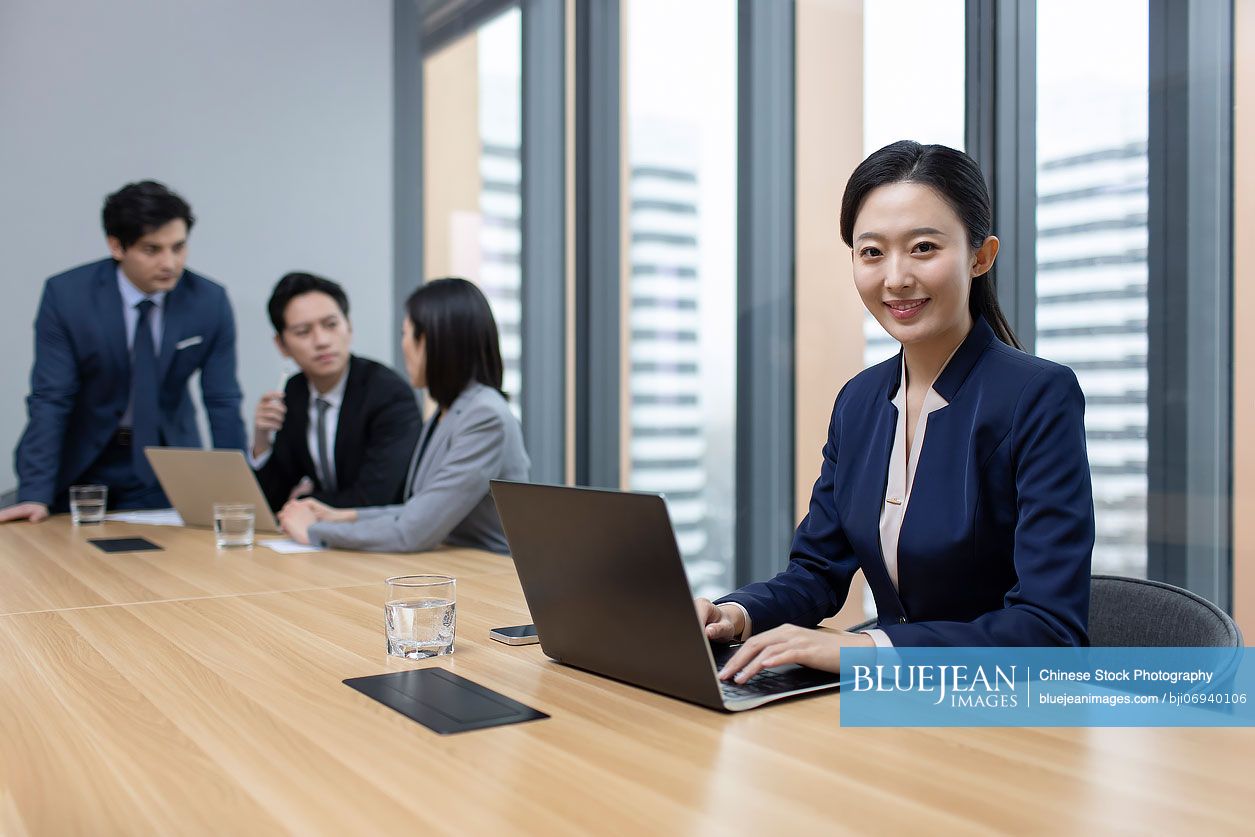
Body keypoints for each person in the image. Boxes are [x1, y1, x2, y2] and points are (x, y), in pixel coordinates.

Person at [706, 141, 1095, 685]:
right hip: (895, 709)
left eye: (923, 248)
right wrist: (733, 614)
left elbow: (1049, 631)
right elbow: (818, 571)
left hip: (1006, 713)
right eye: (871, 252)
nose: (895, 278)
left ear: (981, 257)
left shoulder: (1038, 395)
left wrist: (864, 648)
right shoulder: (860, 401)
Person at [1, 181, 246, 520]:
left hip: (165, 463)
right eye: (152, 249)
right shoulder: (68, 298)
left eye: (178, 247)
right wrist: (34, 493)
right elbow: (51, 398)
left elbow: (222, 401)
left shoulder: (209, 302)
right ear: (117, 246)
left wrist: (238, 497)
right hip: (83, 462)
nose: (170, 263)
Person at [278, 277, 530, 552]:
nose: (404, 346)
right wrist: (343, 516)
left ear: (435, 342)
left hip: (486, 572)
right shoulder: (450, 409)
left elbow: (413, 531)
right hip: (451, 562)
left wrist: (315, 530)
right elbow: (418, 509)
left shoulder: (484, 415)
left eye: (406, 334)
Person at [251, 272, 420, 512]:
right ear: (282, 345)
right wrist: (261, 440)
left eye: (331, 325)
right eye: (303, 332)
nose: (321, 341)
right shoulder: (295, 392)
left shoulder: (388, 394)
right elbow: (274, 498)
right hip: (324, 539)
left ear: (348, 326)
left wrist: (303, 503)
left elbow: (373, 499)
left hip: (386, 536)